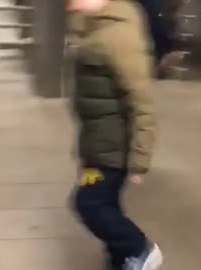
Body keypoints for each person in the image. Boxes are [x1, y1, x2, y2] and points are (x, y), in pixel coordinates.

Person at [67, 0, 161, 270]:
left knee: (89, 203)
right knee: (106, 202)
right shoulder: (95, 24)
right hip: (97, 144)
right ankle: (121, 260)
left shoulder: (120, 34)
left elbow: (142, 103)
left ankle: (140, 249)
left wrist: (140, 158)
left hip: (113, 149)